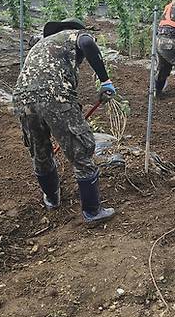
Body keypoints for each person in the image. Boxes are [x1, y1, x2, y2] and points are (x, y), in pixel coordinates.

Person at [12, 18, 116, 224]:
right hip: (54, 98)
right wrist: (106, 81)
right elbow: (87, 42)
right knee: (81, 150)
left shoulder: (41, 45)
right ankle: (93, 212)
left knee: (40, 151)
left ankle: (52, 198)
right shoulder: (74, 35)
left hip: (21, 100)